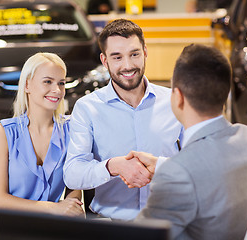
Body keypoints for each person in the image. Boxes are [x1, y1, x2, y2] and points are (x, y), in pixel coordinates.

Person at [63, 19, 183, 220]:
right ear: (104, 60)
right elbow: (73, 174)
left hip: (170, 222)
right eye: (117, 57)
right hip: (111, 227)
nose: (127, 66)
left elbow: (199, 164)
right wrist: (112, 166)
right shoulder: (87, 108)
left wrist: (161, 166)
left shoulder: (175, 102)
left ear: (145, 52)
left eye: (134, 54)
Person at [134, 44, 247, 239]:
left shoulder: (177, 175)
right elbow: (211, 167)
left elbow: (141, 236)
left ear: (178, 97)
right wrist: (163, 164)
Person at [0, 52, 84, 217]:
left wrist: (72, 207)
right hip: (5, 223)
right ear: (27, 85)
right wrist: (53, 208)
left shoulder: (71, 130)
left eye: (61, 83)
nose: (56, 90)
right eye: (47, 81)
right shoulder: (3, 132)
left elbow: (74, 187)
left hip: (50, 225)